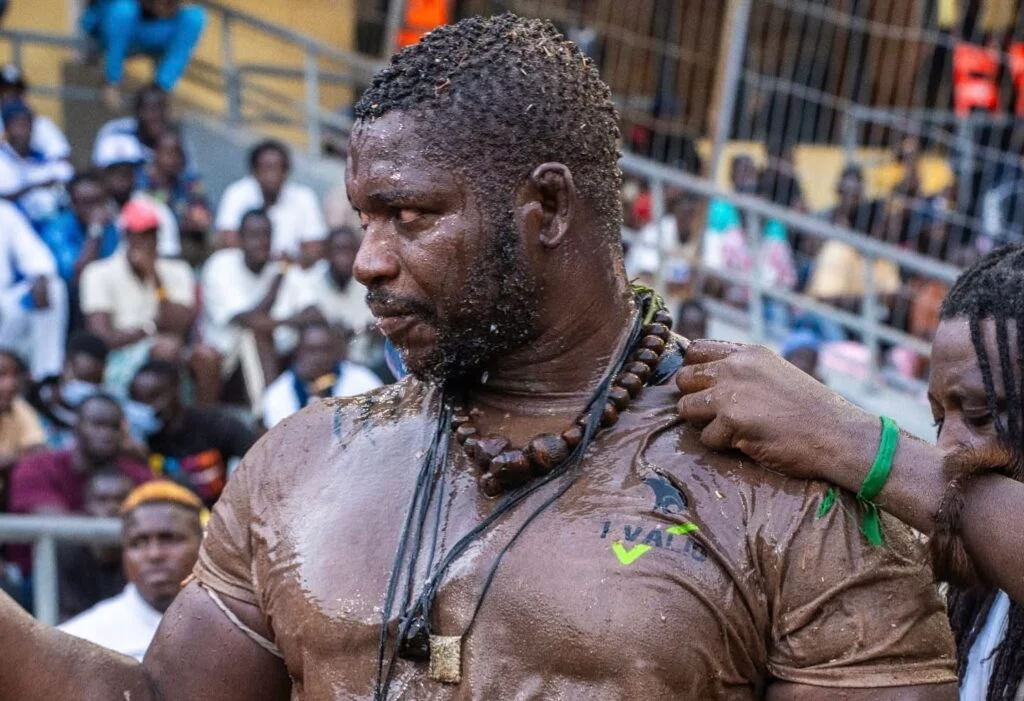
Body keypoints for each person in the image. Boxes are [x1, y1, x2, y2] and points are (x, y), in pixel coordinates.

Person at [0, 15, 958, 700]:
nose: (369, 260)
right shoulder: (303, 460)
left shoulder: (788, 489)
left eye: (410, 216)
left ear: (544, 208)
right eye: (363, 219)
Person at [675, 245, 1024, 700]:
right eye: (939, 419)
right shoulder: (982, 590)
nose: (946, 447)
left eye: (978, 414)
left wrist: (833, 431)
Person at [79, 198, 217, 403]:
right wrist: (149, 330)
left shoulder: (177, 271)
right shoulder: (98, 273)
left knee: (205, 356)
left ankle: (204, 424)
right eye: (139, 235)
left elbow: (178, 325)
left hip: (171, 349)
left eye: (151, 234)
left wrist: (155, 277)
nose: (146, 242)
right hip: (120, 358)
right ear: (126, 235)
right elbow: (103, 338)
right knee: (166, 347)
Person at [59, 480, 204, 660]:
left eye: (170, 539)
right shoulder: (81, 641)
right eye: (139, 542)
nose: (154, 554)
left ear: (203, 545)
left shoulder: (235, 628)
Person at [200, 209, 303, 406]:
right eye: (254, 235)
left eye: (267, 235)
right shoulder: (221, 264)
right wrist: (280, 277)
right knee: (255, 334)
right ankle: (266, 412)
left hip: (277, 353)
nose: (261, 242)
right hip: (224, 358)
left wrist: (282, 323)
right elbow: (250, 319)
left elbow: (312, 311)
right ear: (239, 239)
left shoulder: (281, 267)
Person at [129, 360, 255, 507]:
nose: (148, 408)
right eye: (138, 400)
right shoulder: (134, 439)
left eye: (155, 396)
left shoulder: (216, 426)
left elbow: (261, 461)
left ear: (176, 391)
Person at [9, 393, 151, 517]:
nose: (106, 434)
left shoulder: (138, 474)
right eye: (97, 425)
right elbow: (55, 527)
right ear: (76, 426)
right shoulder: (36, 468)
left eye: (113, 427)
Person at [273, 226, 376, 363]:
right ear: (327, 254)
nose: (344, 257)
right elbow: (287, 334)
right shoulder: (309, 281)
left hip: (364, 363)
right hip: (318, 362)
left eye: (349, 250)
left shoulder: (369, 284)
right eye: (338, 250)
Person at [80, 1, 207, 110]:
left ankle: (161, 89)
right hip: (114, 24)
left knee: (195, 17)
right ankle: (111, 81)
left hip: (151, 29)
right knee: (123, 10)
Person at [215, 139, 327, 257]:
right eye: (266, 169)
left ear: (286, 172)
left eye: (278, 168)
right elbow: (228, 238)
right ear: (254, 171)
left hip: (290, 268)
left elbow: (315, 245)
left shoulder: (304, 197)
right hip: (246, 267)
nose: (272, 176)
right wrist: (264, 260)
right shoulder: (236, 193)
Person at [37, 171, 121, 328]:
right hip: (70, 303)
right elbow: (78, 276)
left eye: (99, 201)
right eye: (87, 202)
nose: (95, 208)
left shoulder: (110, 226)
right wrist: (94, 231)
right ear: (73, 204)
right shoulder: (56, 228)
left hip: (105, 293)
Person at [261, 322, 382, 429]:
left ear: (335, 351)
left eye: (325, 350)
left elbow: (380, 419)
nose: (319, 357)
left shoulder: (361, 379)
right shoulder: (278, 393)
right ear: (299, 352)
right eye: (311, 350)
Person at [0, 199, 67, 380]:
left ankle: (46, 377)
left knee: (53, 287)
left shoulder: (4, 212)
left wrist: (40, 274)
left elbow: (36, 256)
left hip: (3, 308)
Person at [56, 467, 135, 621]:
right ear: (87, 505)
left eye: (121, 499)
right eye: (102, 499)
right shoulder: (67, 553)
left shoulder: (147, 552)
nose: (113, 507)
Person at [94, 131, 181, 258]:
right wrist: (95, 228)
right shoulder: (89, 209)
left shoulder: (154, 208)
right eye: (115, 170)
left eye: (128, 169)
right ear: (102, 173)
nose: (122, 176)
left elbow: (169, 255)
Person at [136, 127, 210, 265]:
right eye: (167, 153)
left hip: (185, 241)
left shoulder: (190, 181)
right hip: (154, 242)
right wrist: (184, 219)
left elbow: (202, 219)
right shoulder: (142, 181)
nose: (173, 159)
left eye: (177, 153)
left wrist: (190, 221)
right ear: (156, 153)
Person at [29, 331, 110, 449]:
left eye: (92, 382)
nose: (85, 389)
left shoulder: (108, 404)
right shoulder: (39, 394)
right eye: (81, 381)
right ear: (66, 364)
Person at [0, 99, 74, 224]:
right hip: (14, 223)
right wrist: (38, 185)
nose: (23, 130)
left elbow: (68, 173)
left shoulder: (42, 157)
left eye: (27, 124)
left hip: (49, 222)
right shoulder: (3, 158)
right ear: (7, 128)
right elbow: (5, 196)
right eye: (17, 124)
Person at [0, 64, 71, 162]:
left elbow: (63, 158)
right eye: (4, 91)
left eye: (16, 92)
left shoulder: (40, 124)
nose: (10, 97)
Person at [0, 350, 45, 488]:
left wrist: (9, 459)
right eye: (1, 375)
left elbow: (39, 454)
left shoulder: (19, 408)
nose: (10, 384)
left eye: (15, 376)